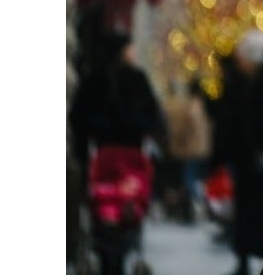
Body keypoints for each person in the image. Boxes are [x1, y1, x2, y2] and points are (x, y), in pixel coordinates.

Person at [69, 29, 164, 275]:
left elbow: (79, 119)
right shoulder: (137, 79)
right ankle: (123, 248)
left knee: (102, 204)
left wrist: (84, 147)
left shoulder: (92, 79)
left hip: (103, 154)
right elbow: (152, 117)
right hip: (131, 155)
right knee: (128, 203)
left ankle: (105, 254)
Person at [211, 29, 263, 275]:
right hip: (253, 158)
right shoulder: (251, 80)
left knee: (261, 212)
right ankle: (258, 257)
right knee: (255, 212)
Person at [161, 75, 213, 223]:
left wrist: (178, 141)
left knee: (189, 179)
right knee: (193, 178)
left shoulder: (190, 106)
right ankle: (192, 208)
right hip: (200, 148)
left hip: (191, 148)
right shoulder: (200, 105)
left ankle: (192, 208)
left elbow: (186, 128)